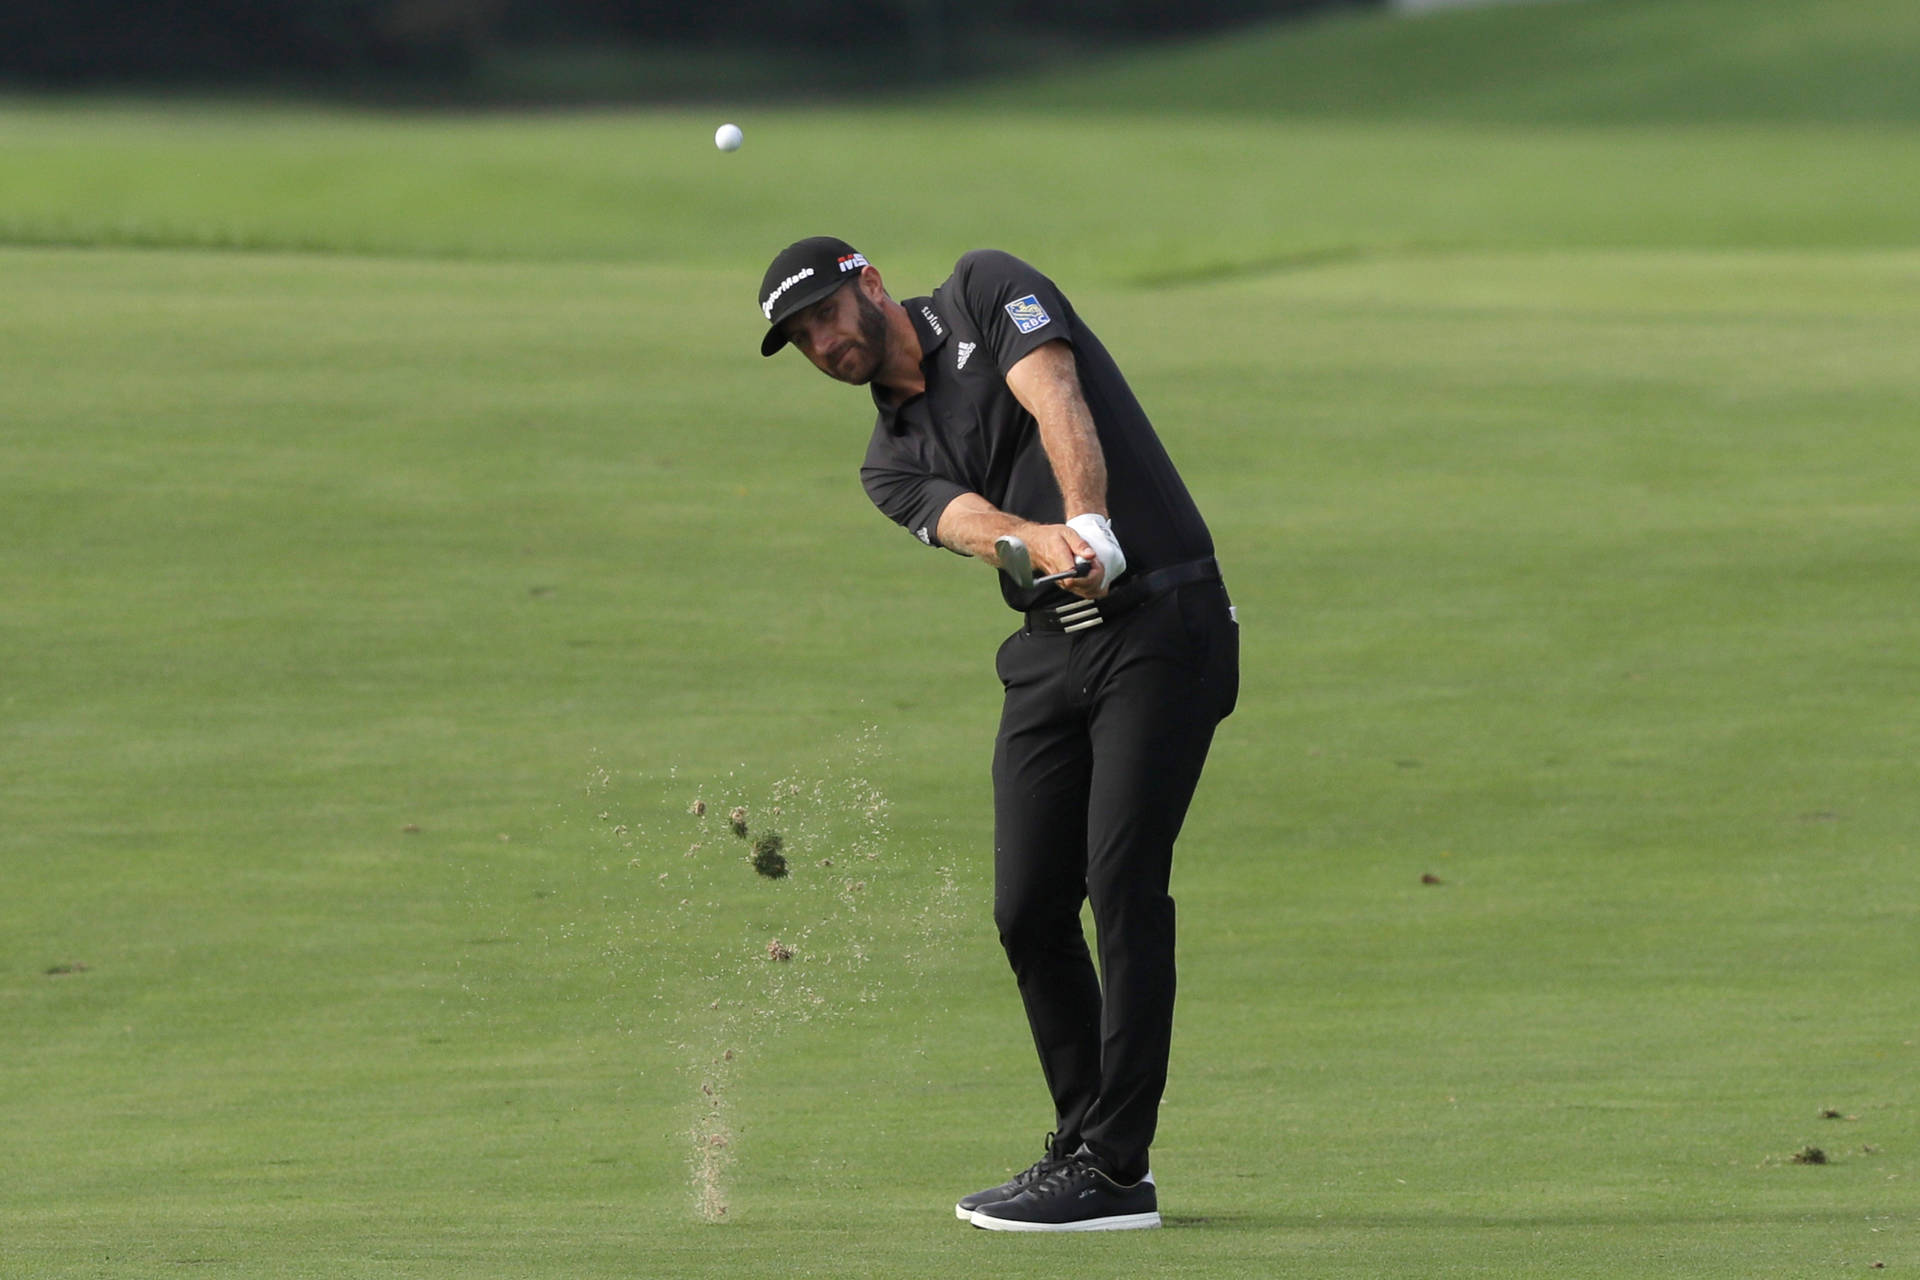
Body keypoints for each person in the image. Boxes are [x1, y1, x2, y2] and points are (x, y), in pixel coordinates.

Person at [757, 236, 1238, 1232]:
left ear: (870, 284)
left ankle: (1115, 1167)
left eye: (824, 316)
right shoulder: (888, 459)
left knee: (1123, 879)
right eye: (802, 340)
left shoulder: (984, 291)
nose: (822, 344)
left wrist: (1094, 525)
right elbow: (969, 520)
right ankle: (1082, 1144)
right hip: (1051, 649)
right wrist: (1038, 542)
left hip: (1162, 618)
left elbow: (1054, 392)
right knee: (1026, 906)